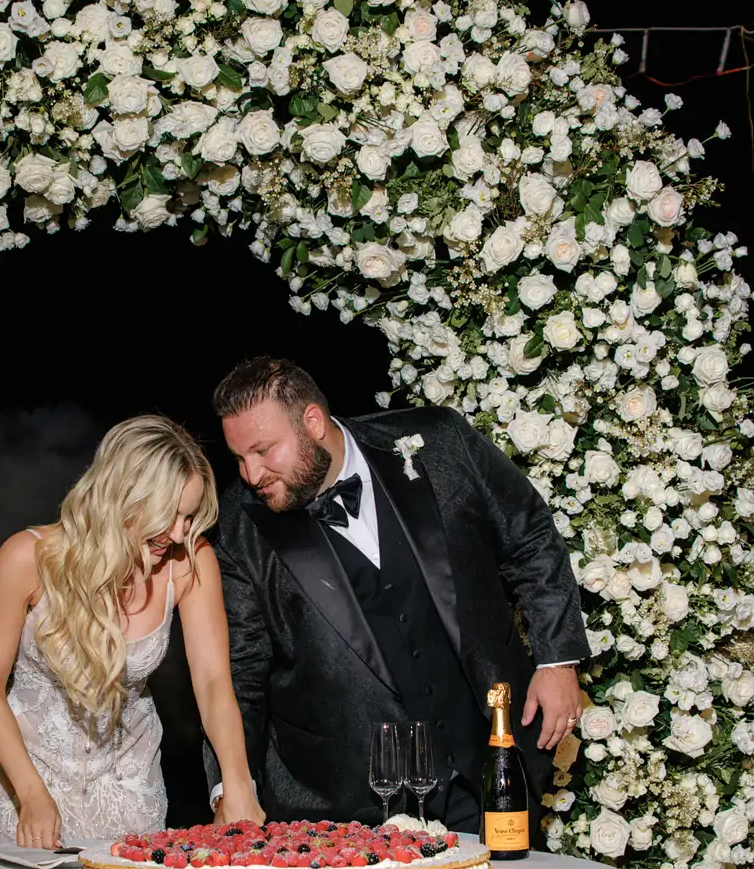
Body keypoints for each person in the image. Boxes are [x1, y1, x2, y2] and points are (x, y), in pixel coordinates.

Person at [209, 356, 588, 836]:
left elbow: (529, 535)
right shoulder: (240, 527)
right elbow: (239, 672)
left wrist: (557, 661)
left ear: (312, 421)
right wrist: (230, 787)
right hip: (345, 808)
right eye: (239, 458)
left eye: (264, 450)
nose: (251, 473)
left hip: (486, 772)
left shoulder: (438, 440)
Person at [0, 414, 263, 848]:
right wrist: (30, 793)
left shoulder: (190, 563)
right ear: (124, 497)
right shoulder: (25, 558)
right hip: (26, 776)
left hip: (128, 779)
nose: (182, 533)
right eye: (172, 515)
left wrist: (237, 779)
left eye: (189, 517)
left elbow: (214, 681)